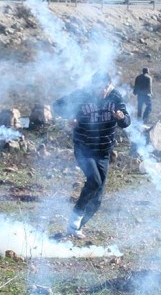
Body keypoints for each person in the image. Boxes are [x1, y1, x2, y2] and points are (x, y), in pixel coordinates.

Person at [54, 71, 131, 239]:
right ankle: (74, 224)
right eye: (97, 87)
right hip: (84, 148)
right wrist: (71, 116)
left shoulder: (116, 97)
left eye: (105, 87)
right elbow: (57, 106)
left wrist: (121, 117)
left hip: (103, 151)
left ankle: (74, 228)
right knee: (94, 181)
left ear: (109, 86)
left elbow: (126, 122)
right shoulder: (82, 95)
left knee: (97, 200)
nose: (101, 91)